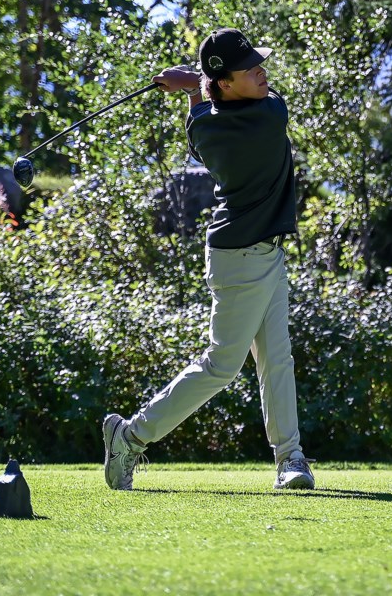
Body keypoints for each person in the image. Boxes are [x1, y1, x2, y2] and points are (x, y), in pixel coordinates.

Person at [102, 28, 314, 491]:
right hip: (240, 259)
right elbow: (213, 99)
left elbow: (204, 110)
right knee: (222, 366)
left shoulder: (205, 125)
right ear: (224, 82)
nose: (261, 71)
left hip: (263, 252)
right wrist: (192, 80)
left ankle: (290, 459)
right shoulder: (269, 114)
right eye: (249, 68)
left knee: (278, 360)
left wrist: (190, 84)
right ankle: (131, 436)